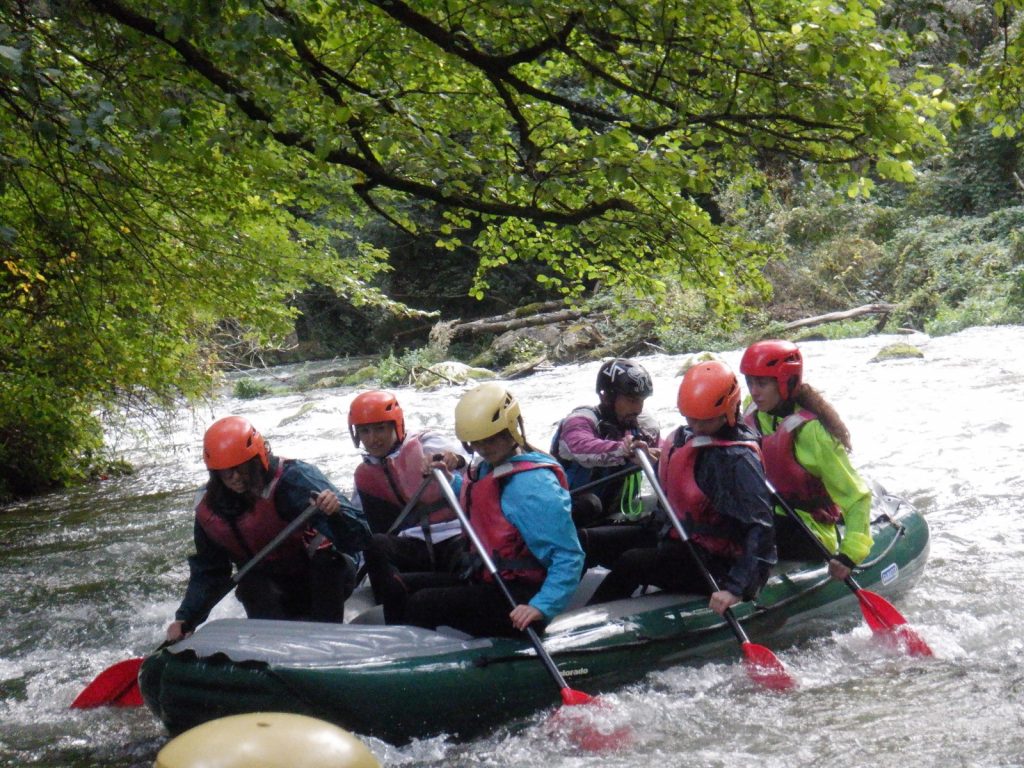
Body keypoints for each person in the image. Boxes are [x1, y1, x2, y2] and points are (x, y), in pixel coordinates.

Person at [392, 382, 585, 638]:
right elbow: (482, 501)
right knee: (400, 586)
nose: (483, 447)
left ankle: (420, 667)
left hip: (522, 598)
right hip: (491, 579)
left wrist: (542, 606)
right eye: (476, 441)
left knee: (422, 603)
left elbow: (568, 555)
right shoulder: (490, 467)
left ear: (512, 430)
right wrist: (449, 478)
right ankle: (393, 649)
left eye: (491, 438)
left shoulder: (532, 485)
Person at [588, 360, 776, 615]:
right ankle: (545, 606)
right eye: (691, 419)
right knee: (589, 540)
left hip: (716, 562)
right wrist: (651, 462)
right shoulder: (685, 436)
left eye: (705, 421)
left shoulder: (738, 459)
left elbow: (760, 527)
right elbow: (681, 487)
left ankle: (582, 630)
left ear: (729, 411)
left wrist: (736, 587)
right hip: (675, 534)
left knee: (632, 562)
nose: (696, 427)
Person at [165, 416, 371, 643]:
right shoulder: (210, 507)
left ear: (258, 459)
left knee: (327, 563)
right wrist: (187, 618)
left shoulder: (295, 479)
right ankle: (273, 648)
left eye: (241, 468)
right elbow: (209, 571)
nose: (235, 478)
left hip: (321, 579)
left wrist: (336, 514)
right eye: (226, 472)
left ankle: (327, 641)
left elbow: (360, 538)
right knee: (251, 582)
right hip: (268, 589)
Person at [739, 339, 873, 581]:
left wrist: (849, 555)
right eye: (749, 382)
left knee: (751, 532)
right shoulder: (752, 411)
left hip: (809, 529)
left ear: (785, 382)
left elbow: (857, 497)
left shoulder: (813, 433)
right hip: (768, 513)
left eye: (762, 383)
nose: (754, 391)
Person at [347, 390, 468, 619]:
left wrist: (453, 459)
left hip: (454, 535)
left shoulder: (427, 443)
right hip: (413, 544)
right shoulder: (364, 474)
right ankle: (390, 611)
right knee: (376, 544)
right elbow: (360, 521)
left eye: (380, 428)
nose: (373, 438)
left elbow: (467, 461)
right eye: (365, 431)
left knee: (465, 560)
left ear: (397, 425)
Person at [550, 358, 661, 527]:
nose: (638, 408)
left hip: (613, 518)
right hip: (572, 517)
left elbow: (664, 453)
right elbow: (583, 448)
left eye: (641, 400)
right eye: (632, 400)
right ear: (608, 396)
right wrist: (623, 450)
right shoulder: (580, 420)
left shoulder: (641, 425)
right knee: (590, 503)